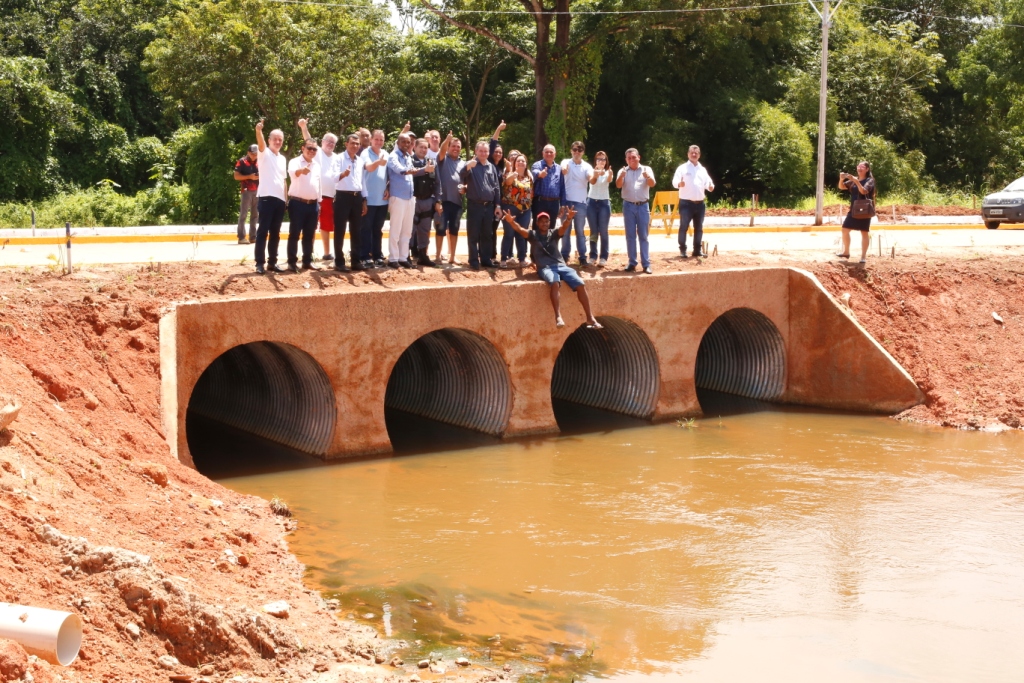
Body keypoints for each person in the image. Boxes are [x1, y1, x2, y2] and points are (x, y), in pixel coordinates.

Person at [501, 208, 601, 329]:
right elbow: (519, 229)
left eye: (547, 221)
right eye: (542, 221)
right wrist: (511, 222)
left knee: (580, 283)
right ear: (537, 223)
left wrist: (568, 218)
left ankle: (590, 318)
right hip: (545, 268)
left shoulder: (554, 233)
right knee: (554, 282)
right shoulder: (533, 235)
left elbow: (563, 228)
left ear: (549, 222)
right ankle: (558, 317)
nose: (545, 223)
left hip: (561, 265)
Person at [297, 120, 339, 261]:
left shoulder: (337, 158)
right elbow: (308, 139)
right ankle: (309, 254)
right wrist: (304, 127)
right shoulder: (318, 152)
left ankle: (327, 253)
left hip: (330, 197)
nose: (330, 144)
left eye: (333, 142)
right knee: (311, 226)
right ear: (322, 142)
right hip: (316, 196)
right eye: (328, 141)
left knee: (326, 226)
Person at [460, 140, 503, 269]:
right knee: (473, 234)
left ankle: (485, 259)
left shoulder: (491, 167)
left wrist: (498, 205)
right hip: (475, 205)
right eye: (481, 151)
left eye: (485, 151)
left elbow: (496, 188)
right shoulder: (471, 164)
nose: (483, 153)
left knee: (487, 234)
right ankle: (473, 260)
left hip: (489, 206)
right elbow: (461, 175)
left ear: (488, 152)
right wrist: (468, 166)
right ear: (476, 151)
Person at [253, 119, 288, 274]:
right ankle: (259, 263)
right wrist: (258, 131)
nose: (278, 142)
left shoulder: (282, 158)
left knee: (276, 233)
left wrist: (286, 200)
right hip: (266, 197)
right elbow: (260, 144)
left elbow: (284, 180)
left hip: (279, 200)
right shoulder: (264, 153)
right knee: (263, 231)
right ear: (269, 140)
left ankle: (272, 262)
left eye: (280, 140)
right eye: (275, 139)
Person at [616, 148, 656, 274]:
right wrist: (621, 176)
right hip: (628, 206)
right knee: (630, 236)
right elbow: (618, 185)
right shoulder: (623, 171)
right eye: (629, 158)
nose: (631, 160)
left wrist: (647, 177)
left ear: (639, 157)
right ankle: (632, 262)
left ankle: (646, 264)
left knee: (643, 235)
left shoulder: (646, 169)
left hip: (643, 206)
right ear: (626, 159)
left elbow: (652, 183)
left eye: (634, 157)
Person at [285, 137, 322, 272]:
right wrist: (301, 171)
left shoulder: (317, 165)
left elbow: (318, 185)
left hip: (313, 205)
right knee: (294, 234)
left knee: (309, 234)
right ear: (303, 148)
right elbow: (293, 174)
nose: (312, 151)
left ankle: (307, 261)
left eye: (314, 149)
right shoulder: (295, 162)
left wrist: (319, 202)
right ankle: (292, 262)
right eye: (309, 148)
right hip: (297, 203)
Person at [671, 145, 715, 258]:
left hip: (700, 204)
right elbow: (674, 182)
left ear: (699, 155)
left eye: (696, 153)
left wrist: (710, 187)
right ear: (688, 154)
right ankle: (682, 250)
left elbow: (708, 183)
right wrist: (679, 184)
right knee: (684, 227)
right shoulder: (682, 168)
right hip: (686, 203)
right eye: (692, 152)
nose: (694, 154)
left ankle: (697, 250)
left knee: (699, 228)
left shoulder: (702, 169)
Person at [332, 133, 367, 272]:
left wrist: (364, 199)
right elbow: (333, 177)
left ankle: (355, 261)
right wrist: (343, 175)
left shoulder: (359, 160)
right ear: (346, 144)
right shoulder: (339, 158)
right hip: (342, 197)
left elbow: (362, 181)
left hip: (357, 197)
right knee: (340, 230)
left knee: (356, 230)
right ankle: (339, 262)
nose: (355, 146)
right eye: (352, 143)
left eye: (357, 144)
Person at [386, 132, 419, 267]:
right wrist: (410, 170)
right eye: (404, 142)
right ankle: (393, 258)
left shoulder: (408, 157)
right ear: (398, 143)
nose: (406, 144)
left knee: (407, 230)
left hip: (409, 197)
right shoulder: (393, 156)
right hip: (398, 197)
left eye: (408, 142)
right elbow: (399, 170)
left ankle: (403, 257)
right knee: (396, 229)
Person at [359, 129, 390, 268]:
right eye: (376, 139)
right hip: (369, 198)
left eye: (381, 140)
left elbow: (389, 176)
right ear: (371, 140)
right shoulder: (365, 153)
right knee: (366, 228)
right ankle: (365, 255)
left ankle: (377, 254)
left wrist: (388, 189)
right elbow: (369, 168)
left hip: (382, 200)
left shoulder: (386, 154)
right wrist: (378, 162)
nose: (378, 142)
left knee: (378, 228)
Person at [560, 141, 593, 265]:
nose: (577, 152)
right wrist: (564, 170)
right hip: (566, 201)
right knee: (565, 230)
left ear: (583, 152)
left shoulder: (587, 166)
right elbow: (563, 170)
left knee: (580, 231)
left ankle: (582, 257)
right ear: (571, 150)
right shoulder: (565, 162)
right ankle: (564, 255)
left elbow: (590, 177)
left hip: (581, 202)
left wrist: (594, 177)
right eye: (574, 149)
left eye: (579, 150)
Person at [436, 132, 466, 265]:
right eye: (453, 146)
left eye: (458, 146)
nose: (455, 148)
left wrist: (465, 188)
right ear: (449, 147)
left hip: (457, 202)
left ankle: (452, 256)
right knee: (440, 229)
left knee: (454, 230)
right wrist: (447, 140)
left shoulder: (463, 163)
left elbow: (466, 181)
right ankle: (437, 256)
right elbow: (441, 150)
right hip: (444, 200)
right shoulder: (443, 159)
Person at [838, 160, 876, 264]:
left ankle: (863, 257)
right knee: (845, 229)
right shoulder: (854, 180)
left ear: (867, 169)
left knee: (864, 233)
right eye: (858, 166)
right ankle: (846, 252)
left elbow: (863, 191)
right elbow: (841, 187)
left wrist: (856, 181)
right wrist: (841, 179)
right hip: (854, 209)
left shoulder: (870, 180)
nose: (859, 168)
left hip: (865, 210)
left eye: (862, 167)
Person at [500, 150, 532, 267]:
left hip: (525, 210)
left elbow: (531, 192)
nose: (521, 163)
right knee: (509, 233)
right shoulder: (510, 173)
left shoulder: (529, 176)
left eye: (523, 161)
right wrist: (513, 175)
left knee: (522, 234)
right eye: (518, 161)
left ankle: (522, 258)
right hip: (510, 208)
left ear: (526, 163)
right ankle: (504, 259)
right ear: (515, 163)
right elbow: (507, 183)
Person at [410, 137, 439, 266]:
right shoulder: (410, 161)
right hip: (413, 200)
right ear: (414, 147)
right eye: (421, 147)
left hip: (427, 200)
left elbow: (438, 183)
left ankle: (423, 255)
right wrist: (423, 170)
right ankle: (405, 256)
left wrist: (438, 200)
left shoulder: (432, 162)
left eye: (425, 147)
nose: (423, 149)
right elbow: (407, 174)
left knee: (425, 229)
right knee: (410, 230)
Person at [586, 151, 613, 266]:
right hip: (591, 203)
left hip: (604, 204)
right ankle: (592, 255)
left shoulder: (608, 172)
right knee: (593, 231)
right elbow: (592, 181)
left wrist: (610, 174)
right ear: (595, 161)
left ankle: (603, 257)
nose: (601, 161)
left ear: (606, 161)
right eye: (599, 159)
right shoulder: (590, 171)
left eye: (603, 159)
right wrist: (596, 174)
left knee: (603, 231)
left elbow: (609, 179)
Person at [531, 144, 565, 230]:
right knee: (537, 228)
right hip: (540, 202)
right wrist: (540, 174)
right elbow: (535, 172)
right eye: (546, 152)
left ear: (555, 154)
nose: (549, 154)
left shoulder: (559, 168)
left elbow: (562, 187)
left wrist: (563, 205)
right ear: (543, 153)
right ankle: (536, 244)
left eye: (551, 152)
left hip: (554, 204)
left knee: (551, 229)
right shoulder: (537, 165)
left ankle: (549, 244)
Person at [233, 144, 260, 244]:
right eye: (252, 154)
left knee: (255, 215)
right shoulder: (242, 161)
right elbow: (236, 176)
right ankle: (241, 237)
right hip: (246, 190)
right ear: (248, 152)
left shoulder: (261, 161)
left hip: (258, 190)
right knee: (243, 214)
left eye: (256, 154)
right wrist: (250, 177)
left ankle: (253, 237)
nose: (254, 156)